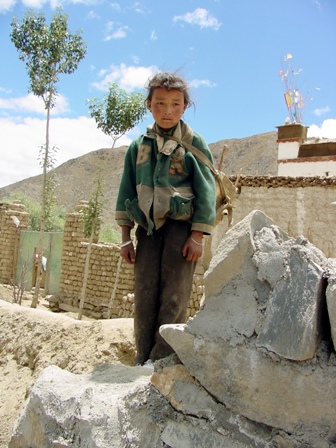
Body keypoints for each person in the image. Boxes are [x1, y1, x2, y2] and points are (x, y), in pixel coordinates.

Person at [115, 72, 216, 365]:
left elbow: (206, 191)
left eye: (175, 104)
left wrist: (197, 236)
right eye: (160, 103)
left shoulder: (194, 143)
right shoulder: (138, 147)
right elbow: (125, 192)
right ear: (149, 105)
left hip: (181, 233)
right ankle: (142, 359)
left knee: (174, 298)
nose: (167, 111)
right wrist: (124, 239)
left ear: (185, 107)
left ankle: (162, 362)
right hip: (147, 232)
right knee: (144, 297)